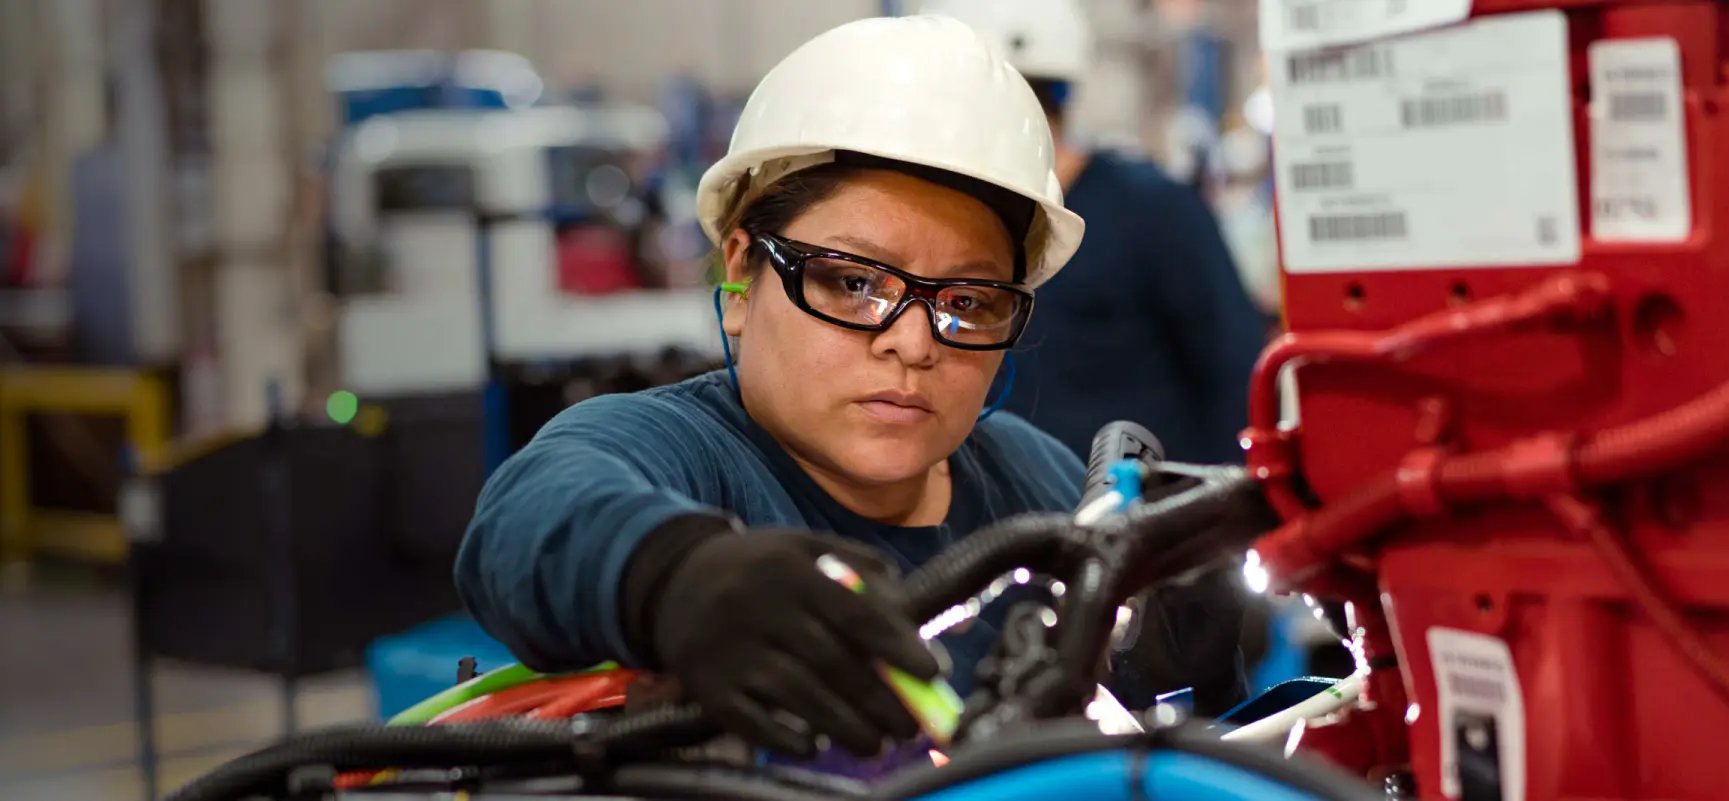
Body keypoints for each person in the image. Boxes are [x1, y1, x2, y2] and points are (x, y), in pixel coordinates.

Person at [454, 15, 1247, 762]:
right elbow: (527, 517)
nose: (911, 340)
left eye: (966, 302)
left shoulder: (1037, 488)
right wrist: (669, 576)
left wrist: (1199, 681)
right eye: (851, 282)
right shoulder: (678, 453)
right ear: (740, 270)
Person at [920, 0, 1273, 467]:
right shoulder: (954, 224)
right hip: (1003, 520)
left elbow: (1234, 370)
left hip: (1142, 520)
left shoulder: (1153, 209)